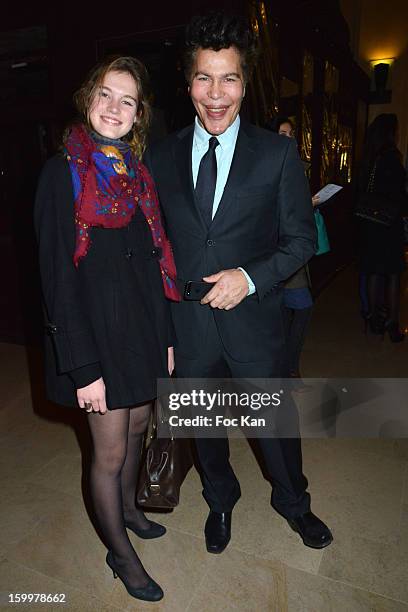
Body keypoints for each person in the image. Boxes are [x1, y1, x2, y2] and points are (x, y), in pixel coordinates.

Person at [145, 13, 332, 554]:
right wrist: (166, 331)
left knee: (275, 428)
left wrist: (249, 278)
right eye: (204, 78)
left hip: (255, 324)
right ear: (188, 86)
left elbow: (300, 241)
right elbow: (156, 250)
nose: (216, 93)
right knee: (206, 431)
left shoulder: (275, 155)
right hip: (190, 327)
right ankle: (220, 500)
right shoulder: (159, 156)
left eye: (228, 78)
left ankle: (293, 501)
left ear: (245, 85)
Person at [34, 56, 181, 603]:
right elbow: (56, 278)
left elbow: (153, 262)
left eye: (128, 100)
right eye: (105, 94)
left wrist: (166, 336)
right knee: (111, 453)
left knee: (139, 427)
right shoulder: (63, 172)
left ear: (139, 113)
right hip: (95, 340)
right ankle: (120, 555)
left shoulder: (137, 174)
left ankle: (129, 512)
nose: (115, 108)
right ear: (87, 99)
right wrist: (84, 367)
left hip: (142, 332)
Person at [268, 115, 316, 381]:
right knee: (299, 307)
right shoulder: (265, 165)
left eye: (291, 134)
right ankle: (289, 367)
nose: (287, 139)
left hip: (293, 251)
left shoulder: (297, 166)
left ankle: (287, 366)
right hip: (277, 250)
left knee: (291, 310)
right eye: (282, 133)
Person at [357, 113, 408, 342]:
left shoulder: (369, 158)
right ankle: (392, 324)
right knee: (394, 274)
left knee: (375, 272)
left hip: (370, 225)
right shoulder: (392, 158)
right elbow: (399, 196)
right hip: (389, 225)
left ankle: (374, 320)